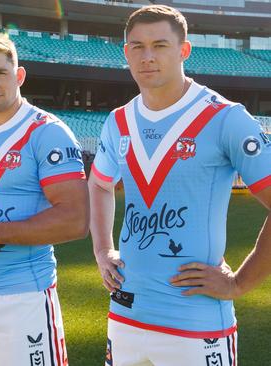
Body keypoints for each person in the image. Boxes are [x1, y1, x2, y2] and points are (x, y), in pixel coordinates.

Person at [89, 5, 271, 366]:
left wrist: (239, 283)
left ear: (184, 50)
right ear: (126, 52)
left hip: (195, 325)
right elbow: (98, 184)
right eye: (137, 47)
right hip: (125, 316)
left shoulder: (225, 118)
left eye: (160, 45)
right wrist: (101, 249)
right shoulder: (118, 120)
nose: (148, 57)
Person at [0, 33, 89, 366]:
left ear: (19, 75)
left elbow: (75, 220)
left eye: (0, 73)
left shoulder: (48, 132)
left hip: (23, 300)